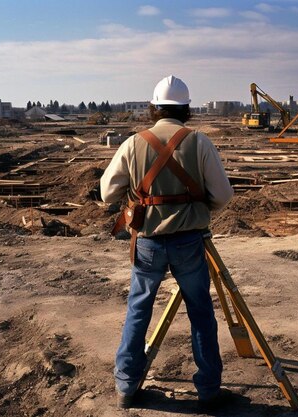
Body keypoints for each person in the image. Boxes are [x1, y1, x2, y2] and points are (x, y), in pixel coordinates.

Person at [100, 75, 234, 409]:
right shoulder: (200, 142)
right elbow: (223, 195)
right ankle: (208, 391)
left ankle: (127, 388)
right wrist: (197, 209)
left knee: (138, 311)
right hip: (190, 242)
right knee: (201, 313)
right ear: (186, 109)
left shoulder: (133, 143)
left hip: (147, 243)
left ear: (153, 108)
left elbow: (107, 193)